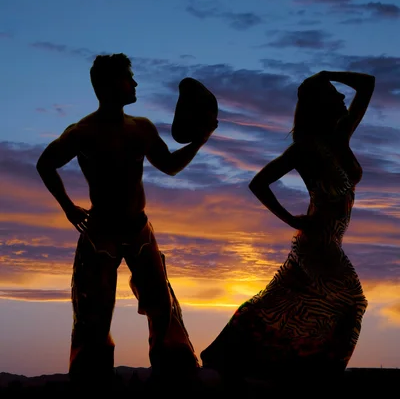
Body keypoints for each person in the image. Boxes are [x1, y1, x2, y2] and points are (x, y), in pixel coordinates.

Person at [36, 53, 217, 389]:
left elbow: (170, 165)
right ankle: (94, 384)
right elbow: (45, 164)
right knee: (94, 313)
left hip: (139, 231)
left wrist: (201, 140)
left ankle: (173, 380)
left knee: (161, 305)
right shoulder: (83, 132)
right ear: (107, 84)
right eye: (128, 78)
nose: (135, 84)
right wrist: (67, 207)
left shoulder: (141, 128)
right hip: (100, 233)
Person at [200, 70, 375, 385]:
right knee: (351, 301)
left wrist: (327, 74)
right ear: (321, 104)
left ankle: (242, 364)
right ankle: (321, 376)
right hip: (317, 244)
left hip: (331, 242)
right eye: (334, 93)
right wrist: (292, 219)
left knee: (280, 305)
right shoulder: (306, 148)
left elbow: (367, 84)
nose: (342, 97)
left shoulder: (340, 137)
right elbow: (259, 183)